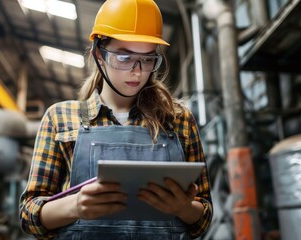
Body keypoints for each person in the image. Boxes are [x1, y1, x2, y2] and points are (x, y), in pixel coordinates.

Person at [19, 0, 213, 239]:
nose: (138, 71)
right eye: (124, 57)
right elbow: (28, 215)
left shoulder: (178, 119)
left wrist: (184, 209)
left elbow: (203, 217)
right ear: (99, 54)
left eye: (148, 59)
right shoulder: (60, 118)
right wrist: (74, 206)